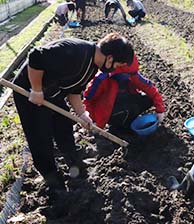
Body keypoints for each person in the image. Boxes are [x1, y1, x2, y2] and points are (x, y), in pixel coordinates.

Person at [13, 33, 134, 193]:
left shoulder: (93, 66)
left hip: (53, 92)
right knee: (40, 138)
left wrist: (82, 115)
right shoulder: (75, 52)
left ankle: (74, 165)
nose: (115, 69)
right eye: (118, 65)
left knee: (64, 125)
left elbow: (74, 91)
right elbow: (36, 56)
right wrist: (36, 89)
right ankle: (53, 181)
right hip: (29, 94)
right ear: (110, 58)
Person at [83, 54, 165, 135]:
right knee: (128, 110)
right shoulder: (102, 78)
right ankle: (122, 127)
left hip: (126, 101)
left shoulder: (132, 74)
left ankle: (131, 119)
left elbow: (150, 89)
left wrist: (160, 110)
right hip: (109, 110)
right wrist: (92, 120)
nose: (127, 76)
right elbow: (88, 99)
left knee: (148, 99)